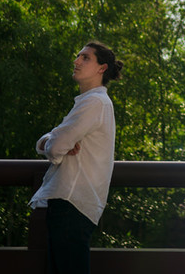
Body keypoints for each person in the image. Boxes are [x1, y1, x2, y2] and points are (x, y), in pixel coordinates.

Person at [30, 41, 123, 274]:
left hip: (72, 204)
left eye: (85, 58)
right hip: (73, 204)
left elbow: (54, 147)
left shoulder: (94, 103)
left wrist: (52, 143)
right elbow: (51, 143)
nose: (76, 61)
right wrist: (51, 142)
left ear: (102, 68)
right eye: (78, 56)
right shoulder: (91, 102)